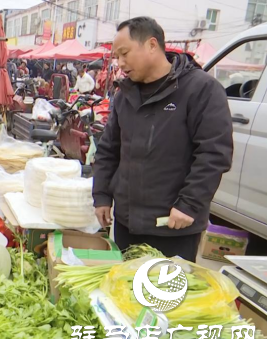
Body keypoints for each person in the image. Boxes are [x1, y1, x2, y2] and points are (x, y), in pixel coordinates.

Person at [92, 16, 233, 261]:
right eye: (117, 57)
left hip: (173, 225)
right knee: (124, 293)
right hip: (127, 224)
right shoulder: (125, 95)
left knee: (164, 296)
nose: (120, 63)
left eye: (124, 53)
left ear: (152, 45)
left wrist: (189, 204)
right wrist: (102, 195)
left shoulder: (200, 89)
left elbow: (214, 154)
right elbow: (108, 149)